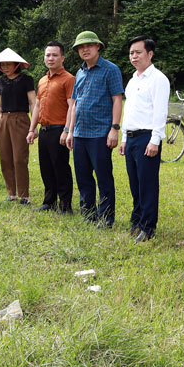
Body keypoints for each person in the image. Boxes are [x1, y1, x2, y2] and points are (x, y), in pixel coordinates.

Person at [64, 31, 123, 228]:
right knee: (83, 177)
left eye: (89, 45)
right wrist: (70, 131)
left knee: (104, 177)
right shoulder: (80, 72)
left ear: (98, 46)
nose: (85, 49)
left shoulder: (110, 69)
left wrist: (114, 128)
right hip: (80, 133)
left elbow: (117, 99)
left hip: (100, 133)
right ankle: (88, 214)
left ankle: (106, 217)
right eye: (81, 47)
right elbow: (74, 104)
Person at [119, 36, 169, 242]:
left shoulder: (158, 79)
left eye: (138, 52)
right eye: (131, 52)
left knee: (147, 184)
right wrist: (123, 137)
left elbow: (160, 111)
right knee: (134, 183)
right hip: (131, 138)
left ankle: (148, 227)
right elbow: (128, 110)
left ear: (150, 54)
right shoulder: (132, 80)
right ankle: (137, 219)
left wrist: (155, 139)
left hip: (147, 137)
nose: (134, 56)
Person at [26, 41, 74, 213]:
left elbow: (72, 106)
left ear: (62, 57)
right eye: (48, 55)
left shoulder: (69, 79)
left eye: (54, 55)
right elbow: (37, 106)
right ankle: (49, 202)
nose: (51, 58)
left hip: (59, 130)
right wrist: (32, 129)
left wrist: (67, 130)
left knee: (60, 167)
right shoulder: (42, 80)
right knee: (46, 167)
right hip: (44, 130)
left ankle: (65, 205)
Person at [0, 48, 36, 204]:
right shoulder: (0, 81)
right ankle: (11, 193)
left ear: (16, 64)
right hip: (4, 120)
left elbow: (33, 102)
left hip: (21, 119)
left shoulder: (26, 80)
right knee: (5, 157)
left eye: (8, 64)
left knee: (19, 158)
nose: (5, 67)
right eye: (2, 64)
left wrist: (34, 126)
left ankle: (24, 195)